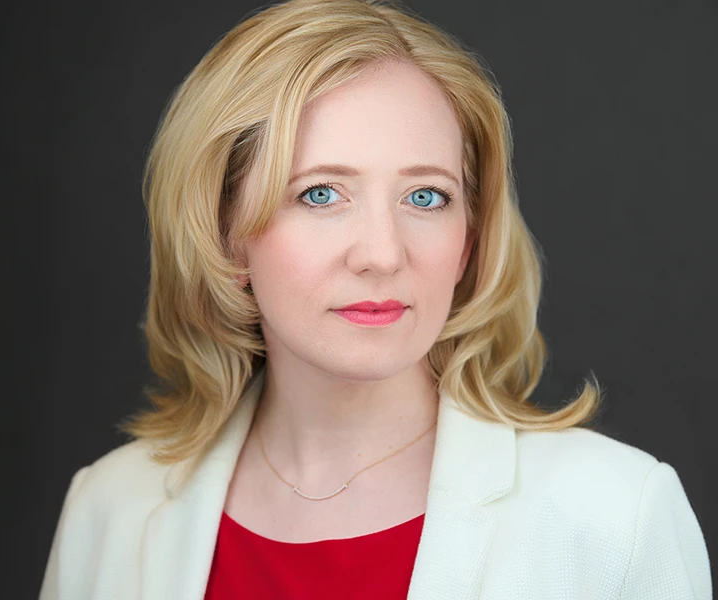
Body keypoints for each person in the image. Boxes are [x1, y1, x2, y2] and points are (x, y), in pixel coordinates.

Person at [38, 0, 711, 598]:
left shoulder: (617, 517)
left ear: (470, 239)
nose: (383, 254)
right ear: (223, 234)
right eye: (321, 194)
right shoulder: (109, 511)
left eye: (426, 197)